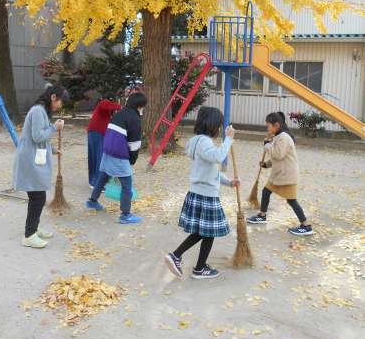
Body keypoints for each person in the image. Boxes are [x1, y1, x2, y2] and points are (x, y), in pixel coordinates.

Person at [165, 107, 239, 280]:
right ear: (212, 124)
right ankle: (179, 257)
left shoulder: (197, 141)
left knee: (205, 231)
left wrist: (229, 182)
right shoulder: (204, 142)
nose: (219, 128)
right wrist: (228, 139)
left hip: (200, 193)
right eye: (218, 125)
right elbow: (218, 157)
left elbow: (211, 170)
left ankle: (197, 266)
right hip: (206, 195)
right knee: (207, 231)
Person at [13, 85, 69, 248]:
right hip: (29, 159)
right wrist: (55, 127)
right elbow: (37, 136)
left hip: (33, 156)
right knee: (38, 197)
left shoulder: (42, 111)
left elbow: (40, 136)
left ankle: (34, 228)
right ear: (53, 97)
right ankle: (29, 235)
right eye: (60, 102)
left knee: (36, 196)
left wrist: (52, 149)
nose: (60, 106)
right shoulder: (38, 110)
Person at [247, 111, 313, 236]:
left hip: (287, 176)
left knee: (291, 200)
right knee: (266, 191)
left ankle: (306, 225)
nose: (267, 128)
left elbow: (278, 154)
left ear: (276, 125)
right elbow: (277, 157)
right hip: (279, 175)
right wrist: (266, 164)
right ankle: (262, 215)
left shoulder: (284, 137)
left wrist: (267, 145)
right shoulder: (278, 136)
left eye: (268, 126)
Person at [85, 92, 147, 224]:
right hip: (119, 154)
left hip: (107, 150)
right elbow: (134, 144)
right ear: (140, 106)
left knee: (103, 177)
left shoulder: (119, 114)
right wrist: (132, 160)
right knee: (127, 185)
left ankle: (92, 201)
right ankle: (125, 215)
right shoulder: (135, 119)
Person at [87, 98, 121, 188]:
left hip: (94, 132)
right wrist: (119, 106)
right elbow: (105, 106)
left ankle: (93, 181)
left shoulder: (106, 111)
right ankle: (98, 183)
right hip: (98, 132)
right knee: (100, 157)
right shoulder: (105, 102)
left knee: (95, 157)